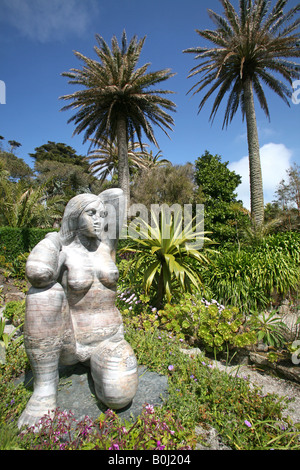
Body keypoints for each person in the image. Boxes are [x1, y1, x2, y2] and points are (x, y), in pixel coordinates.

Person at [18, 188, 138, 429]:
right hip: (71, 343)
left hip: (109, 340)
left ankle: (97, 365)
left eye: (102, 214)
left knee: (119, 396)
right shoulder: (63, 251)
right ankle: (45, 389)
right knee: (44, 294)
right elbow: (38, 273)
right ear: (74, 216)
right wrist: (53, 238)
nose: (99, 219)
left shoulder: (107, 247)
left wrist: (97, 203)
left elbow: (116, 195)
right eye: (91, 213)